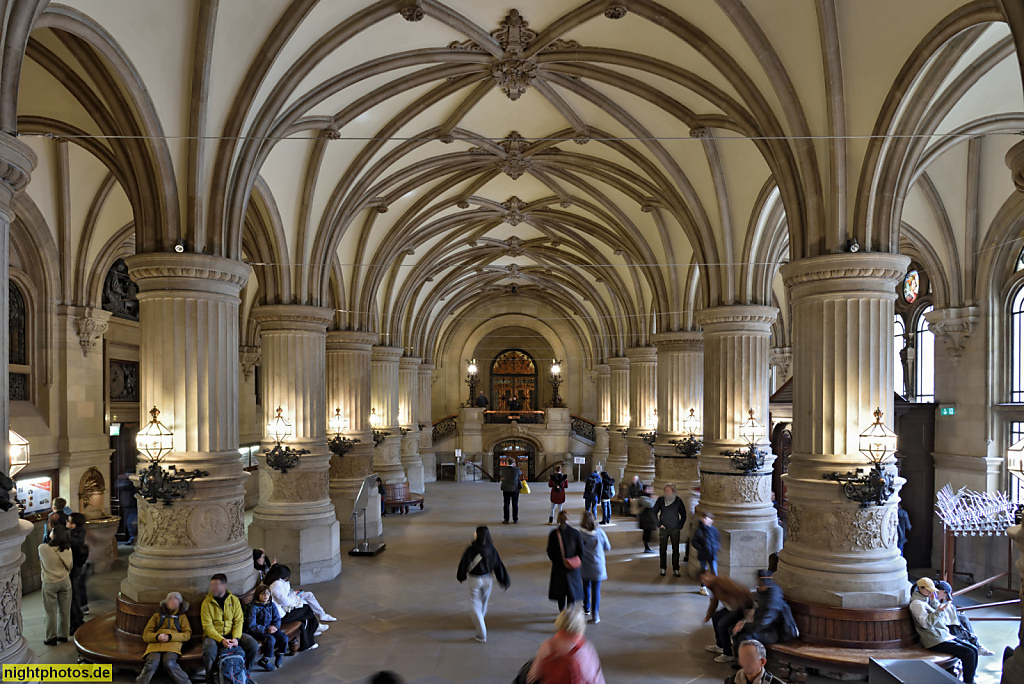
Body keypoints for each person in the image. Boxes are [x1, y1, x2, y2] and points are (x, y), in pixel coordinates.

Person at [910, 577, 978, 684]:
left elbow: (937, 615)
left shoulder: (926, 599)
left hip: (942, 635)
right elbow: (925, 624)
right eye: (928, 590)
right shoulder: (917, 604)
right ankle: (969, 682)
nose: (931, 592)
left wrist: (934, 602)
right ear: (920, 588)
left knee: (973, 649)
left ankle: (970, 680)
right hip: (934, 640)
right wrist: (938, 611)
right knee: (968, 653)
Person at [456, 526, 511, 643]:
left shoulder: (470, 549)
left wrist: (461, 577)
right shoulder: (492, 550)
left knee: (474, 602)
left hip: (474, 579)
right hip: (487, 579)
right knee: (484, 601)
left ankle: (481, 633)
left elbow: (464, 564)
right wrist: (504, 581)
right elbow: (498, 566)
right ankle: (480, 619)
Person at [201, 574, 260, 678]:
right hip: (214, 636)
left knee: (253, 645)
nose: (212, 588)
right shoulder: (206, 603)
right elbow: (207, 626)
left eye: (216, 585)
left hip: (232, 634)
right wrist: (221, 639)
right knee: (209, 651)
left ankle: (246, 674)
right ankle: (210, 678)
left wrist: (236, 638)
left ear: (224, 586)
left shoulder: (234, 600)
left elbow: (238, 621)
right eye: (212, 585)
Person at [524, 608, 605, 684]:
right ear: (581, 627)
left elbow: (532, 677)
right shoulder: (585, 650)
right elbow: (596, 680)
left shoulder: (547, 645)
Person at [732, 570, 799, 654]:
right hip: (765, 628)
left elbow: (763, 622)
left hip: (773, 632)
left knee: (745, 636)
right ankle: (741, 660)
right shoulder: (767, 592)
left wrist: (743, 626)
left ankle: (749, 664)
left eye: (759, 584)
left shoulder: (773, 598)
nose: (758, 586)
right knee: (734, 630)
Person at [137, 591, 191, 684]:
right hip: (156, 644)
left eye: (176, 601)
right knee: (151, 664)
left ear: (180, 603)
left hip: (172, 645)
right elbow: (146, 634)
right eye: (170, 600)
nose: (173, 603)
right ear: (166, 602)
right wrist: (156, 637)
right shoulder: (157, 615)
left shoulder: (182, 617)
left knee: (169, 663)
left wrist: (170, 637)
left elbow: (187, 634)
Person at [264, 564, 321, 651]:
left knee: (306, 610)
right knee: (306, 612)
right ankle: (308, 642)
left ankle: (314, 629)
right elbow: (284, 601)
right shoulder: (276, 585)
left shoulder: (273, 582)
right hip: (279, 617)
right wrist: (295, 599)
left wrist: (293, 595)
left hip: (280, 612)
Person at [702, 571, 755, 663]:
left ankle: (728, 654)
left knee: (723, 624)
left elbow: (740, 592)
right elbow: (714, 601)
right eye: (702, 580)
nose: (704, 581)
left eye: (705, 578)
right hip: (731, 608)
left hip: (741, 608)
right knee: (716, 617)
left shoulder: (722, 582)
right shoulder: (713, 585)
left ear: (709, 575)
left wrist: (744, 615)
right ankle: (720, 645)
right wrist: (709, 615)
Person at [935, 580, 995, 656]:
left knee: (963, 618)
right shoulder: (932, 596)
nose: (944, 597)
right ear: (942, 591)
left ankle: (975, 643)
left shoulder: (935, 597)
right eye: (946, 595)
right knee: (958, 623)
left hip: (939, 618)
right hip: (938, 622)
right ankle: (974, 643)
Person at [39, 525, 72, 646]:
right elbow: (70, 566)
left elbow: (43, 558)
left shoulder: (43, 548)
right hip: (65, 581)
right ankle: (63, 635)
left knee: (50, 611)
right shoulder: (67, 549)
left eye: (52, 531)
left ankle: (51, 638)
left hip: (50, 583)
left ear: (55, 534)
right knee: (65, 610)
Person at [546, 511, 584, 611]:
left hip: (559, 567)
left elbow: (550, 552)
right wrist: (576, 562)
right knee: (571, 592)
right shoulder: (575, 533)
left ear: (558, 520)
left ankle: (562, 613)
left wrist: (557, 560)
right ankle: (570, 612)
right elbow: (581, 551)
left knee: (560, 593)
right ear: (568, 519)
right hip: (572, 567)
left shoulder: (554, 534)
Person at [245, 584, 287, 671]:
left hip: (270, 628)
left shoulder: (272, 605)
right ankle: (265, 660)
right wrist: (266, 629)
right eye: (263, 594)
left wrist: (275, 627)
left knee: (284, 638)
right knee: (271, 640)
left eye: (267, 594)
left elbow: (277, 619)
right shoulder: (254, 607)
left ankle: (279, 654)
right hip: (258, 631)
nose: (265, 596)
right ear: (258, 595)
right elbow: (251, 625)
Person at [579, 511, 610, 624]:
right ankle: (595, 614)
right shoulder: (600, 532)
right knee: (596, 590)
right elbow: (607, 547)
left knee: (586, 586)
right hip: (597, 565)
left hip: (585, 565)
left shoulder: (580, 534)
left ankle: (586, 607)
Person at [654, 484, 686, 577]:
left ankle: (676, 569)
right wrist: (659, 524)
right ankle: (663, 568)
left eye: (669, 491)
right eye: (666, 491)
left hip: (675, 528)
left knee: (675, 549)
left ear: (673, 491)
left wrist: (680, 525)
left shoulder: (678, 501)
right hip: (664, 528)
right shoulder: (661, 500)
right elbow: (654, 512)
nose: (667, 492)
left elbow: (683, 514)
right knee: (662, 548)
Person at [67, 513, 89, 632]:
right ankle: (79, 617)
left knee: (73, 596)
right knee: (76, 593)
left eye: (68, 521)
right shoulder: (81, 532)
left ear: (73, 525)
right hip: (79, 568)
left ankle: (75, 622)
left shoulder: (71, 537)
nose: (66, 523)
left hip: (73, 569)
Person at [691, 511, 720, 596]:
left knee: (714, 571)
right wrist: (701, 548)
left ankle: (716, 587)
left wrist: (715, 548)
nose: (704, 520)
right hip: (703, 554)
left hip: (712, 554)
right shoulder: (699, 530)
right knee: (703, 572)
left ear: (711, 520)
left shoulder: (714, 530)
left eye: (706, 518)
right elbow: (694, 541)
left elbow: (718, 540)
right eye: (703, 518)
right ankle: (702, 587)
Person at [500, 458, 523, 524]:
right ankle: (515, 519)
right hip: (515, 488)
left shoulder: (503, 469)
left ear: (507, 462)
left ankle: (506, 519)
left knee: (506, 504)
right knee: (515, 504)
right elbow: (520, 474)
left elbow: (501, 475)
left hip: (506, 488)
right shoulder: (516, 469)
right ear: (513, 463)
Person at [637, 486, 658, 554]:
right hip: (645, 519)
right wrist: (654, 499)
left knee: (648, 533)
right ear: (645, 490)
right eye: (649, 489)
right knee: (646, 533)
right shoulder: (642, 497)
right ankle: (647, 547)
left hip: (648, 519)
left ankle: (647, 547)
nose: (651, 490)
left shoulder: (648, 497)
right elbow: (650, 504)